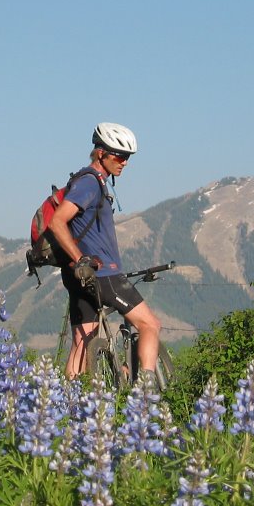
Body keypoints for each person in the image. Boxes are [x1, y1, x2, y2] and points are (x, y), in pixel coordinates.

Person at [48, 122, 164, 384]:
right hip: (102, 274)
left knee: (82, 341)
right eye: (120, 156)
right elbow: (57, 222)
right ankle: (144, 394)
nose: (125, 163)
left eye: (128, 158)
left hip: (79, 277)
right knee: (150, 325)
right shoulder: (89, 183)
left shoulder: (90, 182)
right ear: (101, 153)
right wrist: (81, 258)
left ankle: (68, 407)